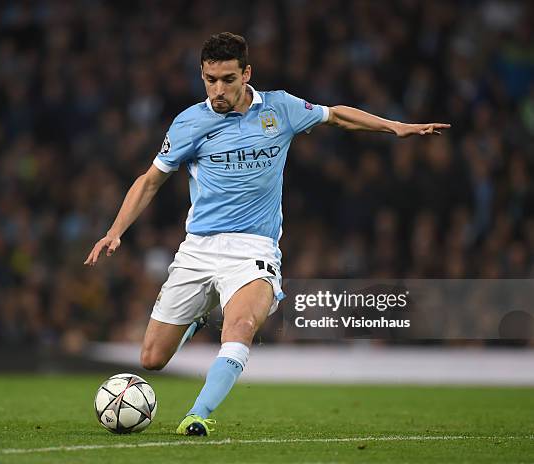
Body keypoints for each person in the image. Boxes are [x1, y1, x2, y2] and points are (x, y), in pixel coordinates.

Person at [84, 32, 450, 436]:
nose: (218, 90)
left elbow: (336, 115)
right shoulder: (189, 122)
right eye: (210, 80)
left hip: (253, 249)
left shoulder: (280, 108)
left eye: (227, 79)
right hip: (198, 250)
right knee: (152, 358)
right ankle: (202, 314)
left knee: (239, 327)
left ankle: (198, 415)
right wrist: (115, 230)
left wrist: (393, 127)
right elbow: (150, 180)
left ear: (247, 74)